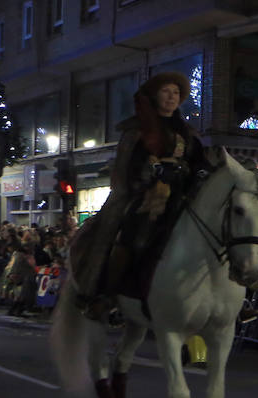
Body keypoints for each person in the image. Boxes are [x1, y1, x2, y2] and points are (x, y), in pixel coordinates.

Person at [73, 72, 212, 320]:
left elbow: (199, 160)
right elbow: (127, 166)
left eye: (176, 93)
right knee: (133, 235)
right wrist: (150, 175)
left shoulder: (187, 132)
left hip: (181, 195)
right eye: (166, 91)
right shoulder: (136, 129)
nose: (171, 97)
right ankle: (106, 294)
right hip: (145, 196)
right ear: (155, 95)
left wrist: (199, 171)